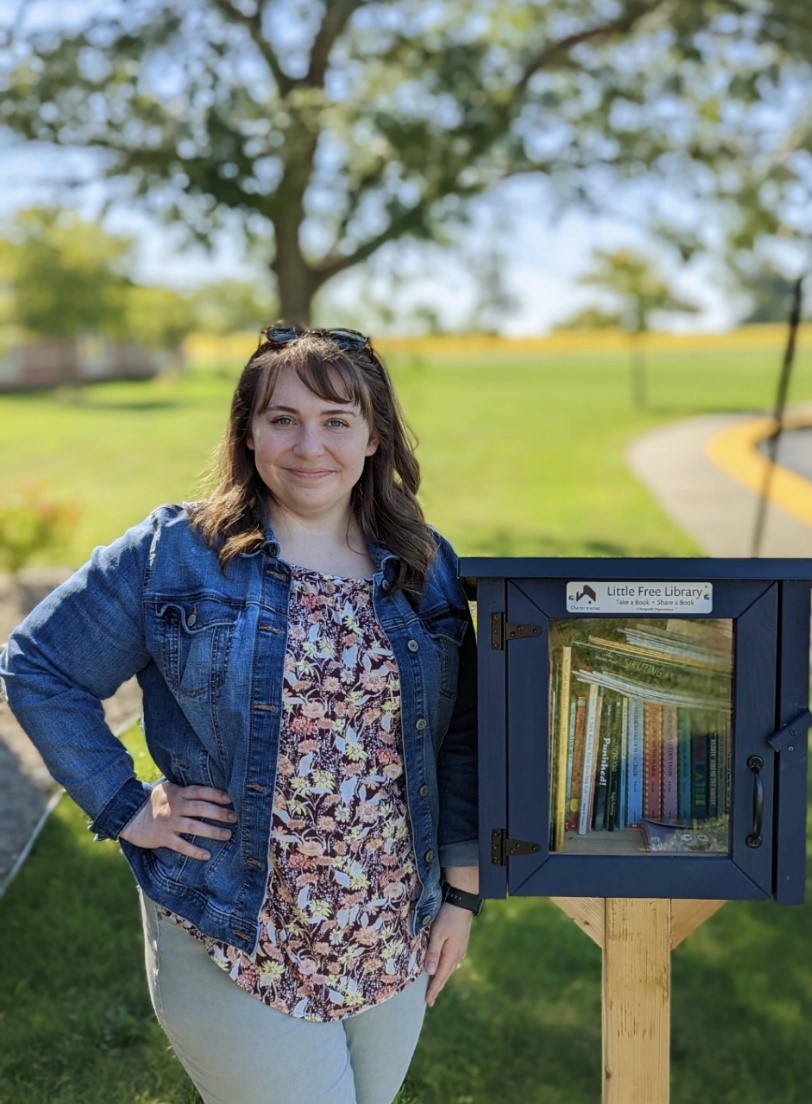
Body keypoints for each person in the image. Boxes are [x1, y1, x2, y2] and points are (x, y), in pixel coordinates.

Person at [0, 324, 479, 1104]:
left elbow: (460, 734)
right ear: (247, 433)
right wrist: (126, 804)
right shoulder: (176, 553)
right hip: (230, 923)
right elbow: (40, 667)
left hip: (390, 926)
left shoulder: (423, 564)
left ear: (373, 438)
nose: (308, 445)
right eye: (281, 418)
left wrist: (460, 894)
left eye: (336, 420)